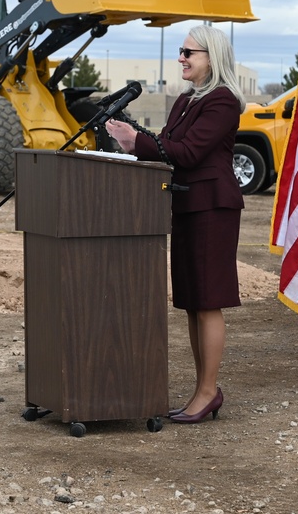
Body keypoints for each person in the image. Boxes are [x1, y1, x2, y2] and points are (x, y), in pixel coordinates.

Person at [105, 24, 245, 424]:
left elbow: (189, 152)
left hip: (212, 209)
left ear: (211, 58)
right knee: (190, 302)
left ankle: (208, 391)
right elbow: (168, 146)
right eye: (181, 51)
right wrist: (133, 142)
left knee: (208, 300)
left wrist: (138, 139)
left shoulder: (222, 101)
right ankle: (202, 389)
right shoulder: (185, 101)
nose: (181, 58)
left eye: (189, 53)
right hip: (185, 206)